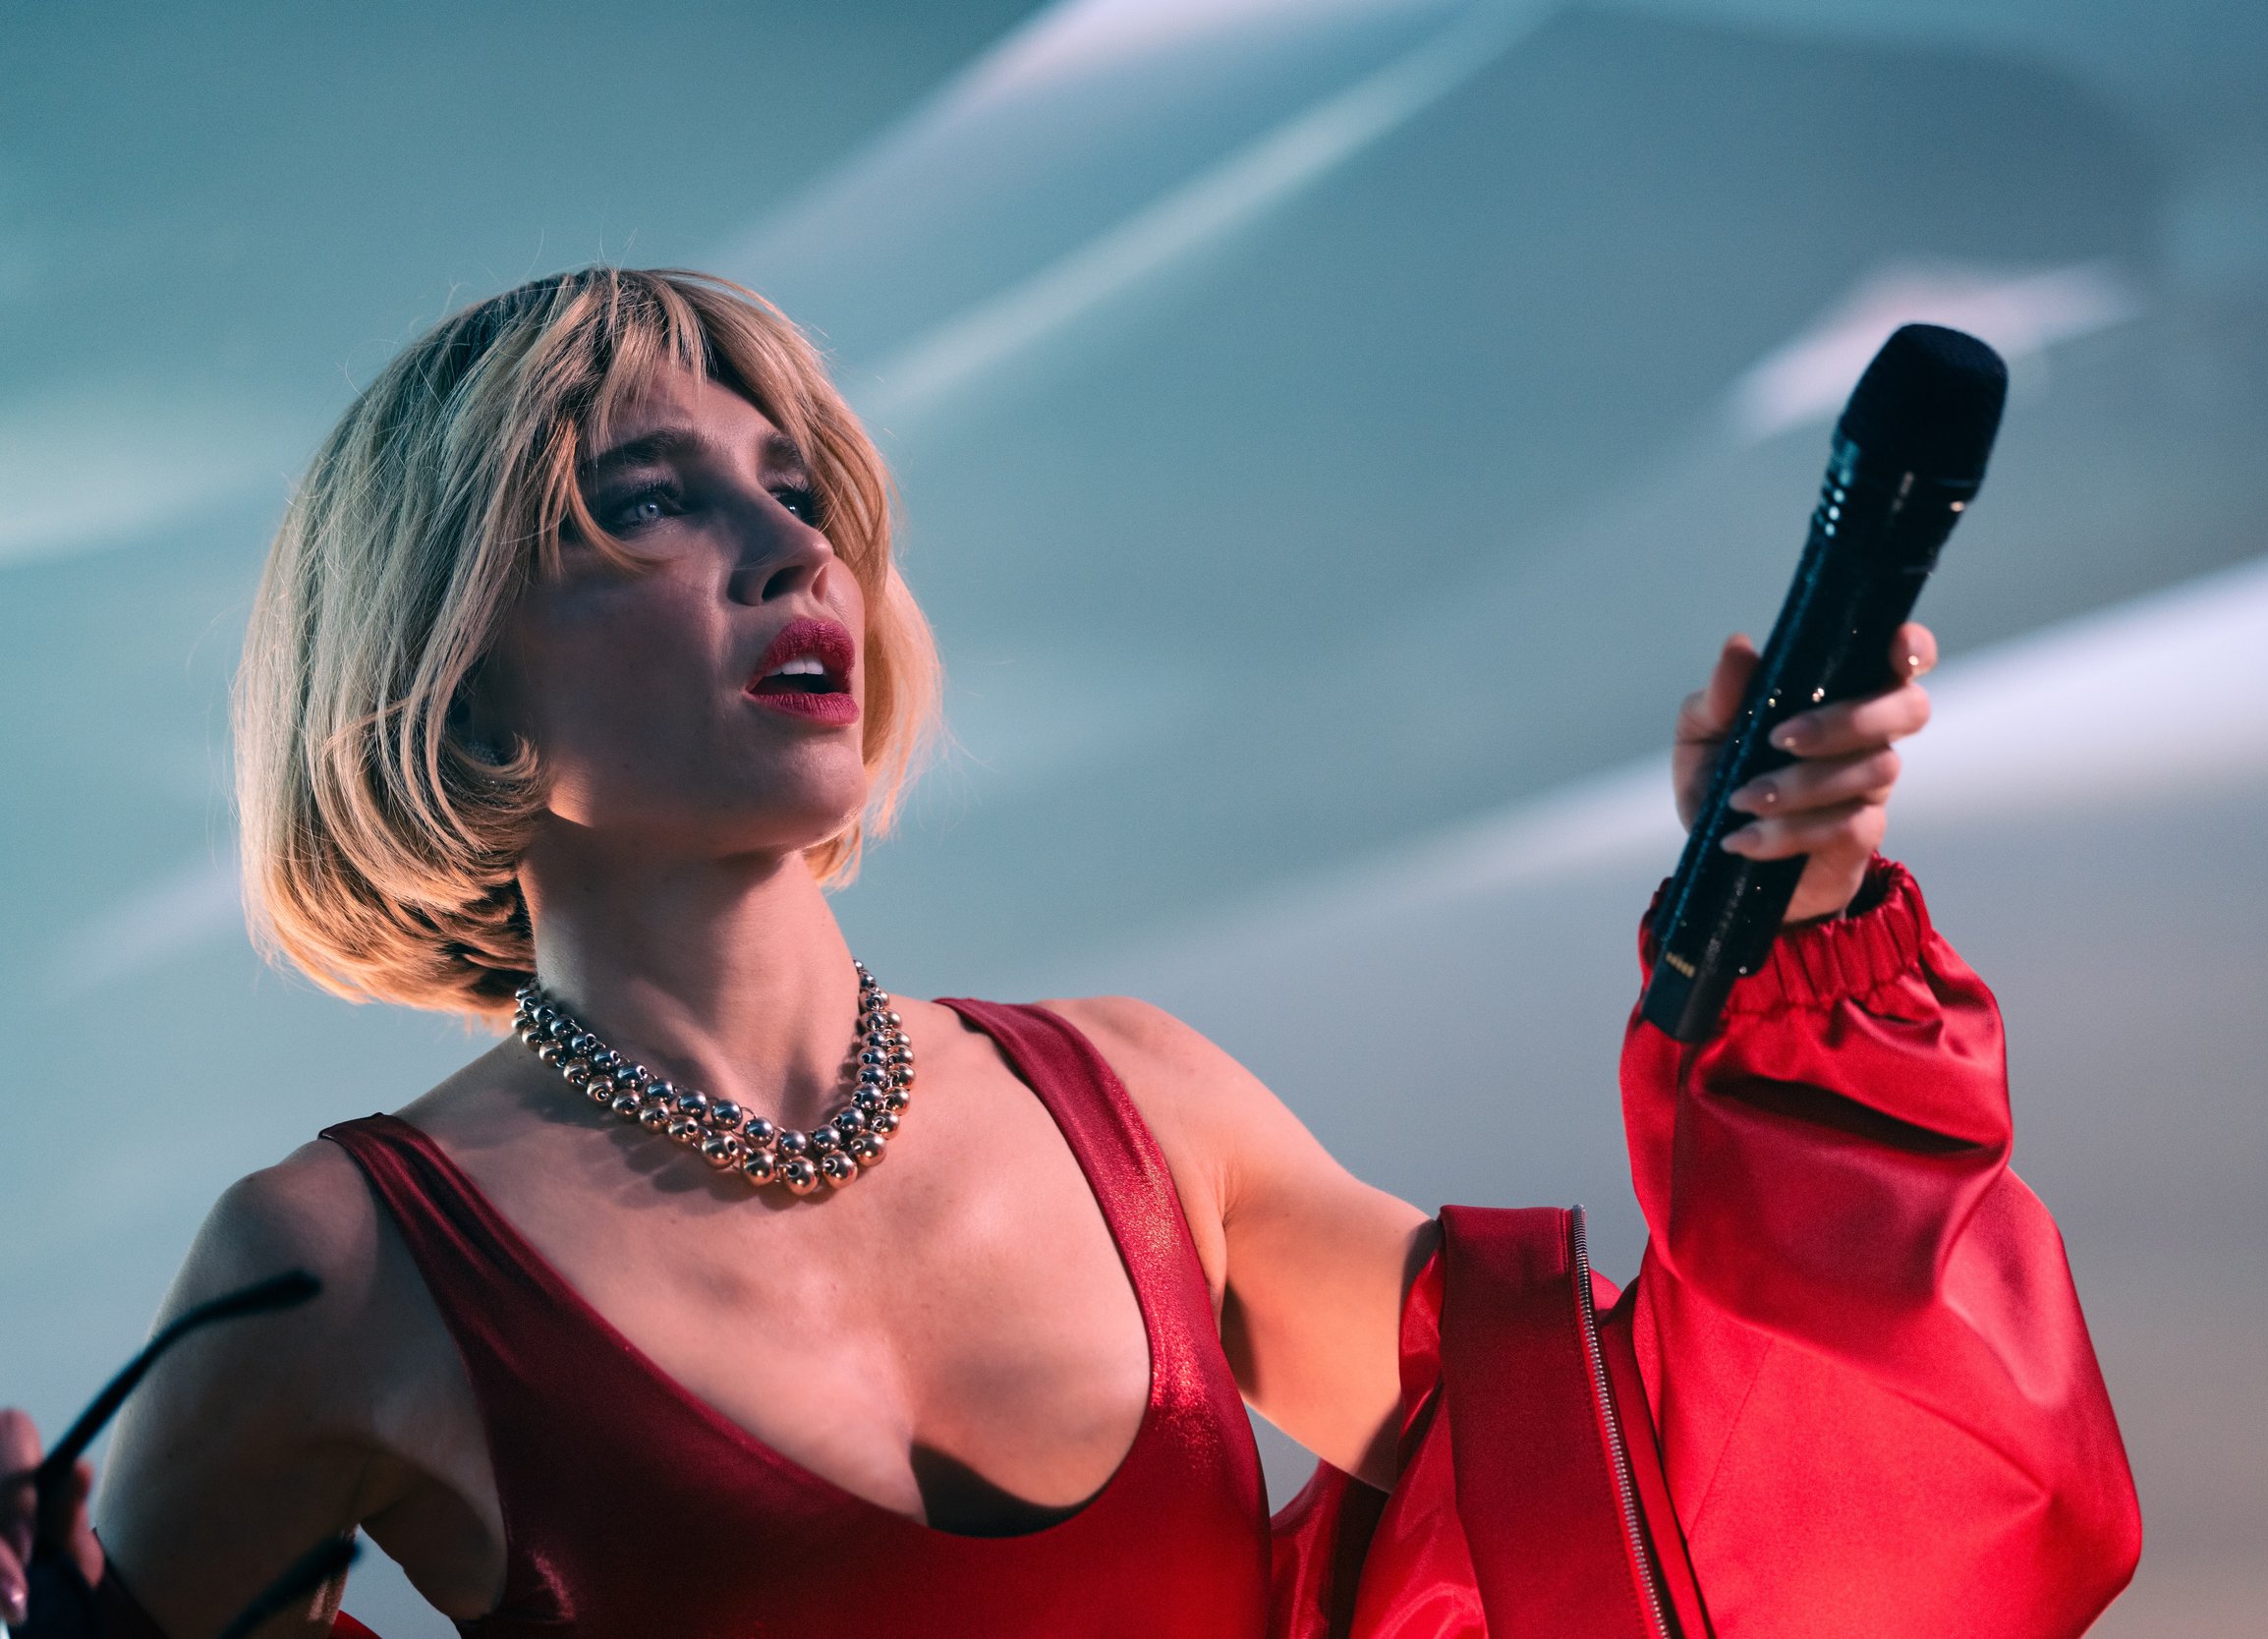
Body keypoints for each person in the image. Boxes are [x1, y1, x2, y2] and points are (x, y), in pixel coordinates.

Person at [0, 268, 2138, 1638]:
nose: (785, 541)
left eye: (794, 485)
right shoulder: (331, 1268)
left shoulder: (1137, 1109)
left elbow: (1682, 1497)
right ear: (474, 710)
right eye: (651, 499)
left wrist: (1787, 930)